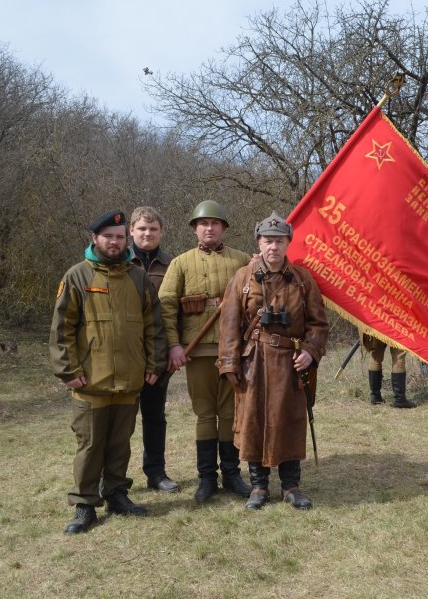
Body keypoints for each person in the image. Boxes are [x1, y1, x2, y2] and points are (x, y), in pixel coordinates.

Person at [50, 210, 166, 534]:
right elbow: (62, 330)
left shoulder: (138, 277)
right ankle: (84, 505)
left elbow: (154, 326)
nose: (114, 242)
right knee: (90, 446)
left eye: (119, 237)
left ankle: (117, 495)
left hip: (129, 380)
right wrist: (68, 370)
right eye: (108, 237)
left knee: (120, 443)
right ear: (94, 239)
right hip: (90, 381)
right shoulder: (77, 276)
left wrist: (155, 364)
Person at [216, 211, 328, 510]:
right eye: (268, 241)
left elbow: (318, 324)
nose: (273, 247)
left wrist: (310, 351)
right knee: (253, 420)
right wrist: (229, 364)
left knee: (290, 420)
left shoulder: (303, 280)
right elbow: (229, 324)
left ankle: (291, 486)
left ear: (288, 243)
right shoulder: (243, 277)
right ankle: (259, 486)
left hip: (291, 363)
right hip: (253, 362)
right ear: (259, 243)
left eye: (279, 241)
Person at [159, 200, 252, 503]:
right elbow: (167, 305)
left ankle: (232, 474)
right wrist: (174, 345)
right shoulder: (181, 263)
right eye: (203, 224)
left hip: (233, 349)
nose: (209, 228)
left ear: (224, 227)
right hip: (196, 351)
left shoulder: (242, 260)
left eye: (215, 223)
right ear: (195, 229)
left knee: (229, 412)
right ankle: (206, 478)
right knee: (204, 413)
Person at [128, 206, 179, 493]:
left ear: (161, 232)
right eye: (142, 229)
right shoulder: (119, 263)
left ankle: (156, 472)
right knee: (120, 421)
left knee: (155, 417)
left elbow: (176, 311)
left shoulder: (172, 266)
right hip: (125, 356)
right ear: (131, 231)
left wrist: (173, 348)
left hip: (158, 356)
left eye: (153, 229)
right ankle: (112, 476)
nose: (147, 234)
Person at [362, 334, 415, 408]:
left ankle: (375, 397)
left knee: (375, 356)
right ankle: (400, 400)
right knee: (398, 356)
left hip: (377, 325)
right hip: (396, 325)